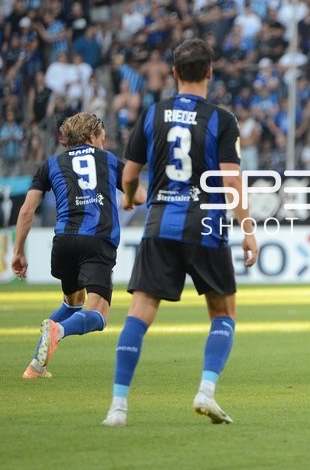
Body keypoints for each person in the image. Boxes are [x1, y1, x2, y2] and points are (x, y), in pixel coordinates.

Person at [102, 38, 259, 427]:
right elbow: (231, 180)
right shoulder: (222, 119)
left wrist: (129, 197)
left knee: (139, 314)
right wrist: (249, 229)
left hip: (161, 225)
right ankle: (206, 390)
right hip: (205, 226)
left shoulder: (154, 113)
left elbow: (129, 174)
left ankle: (118, 407)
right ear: (210, 72)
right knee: (223, 312)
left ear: (174, 73)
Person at [12, 112, 145, 379]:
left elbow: (27, 211)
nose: (104, 144)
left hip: (64, 243)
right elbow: (139, 194)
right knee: (98, 314)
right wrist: (129, 198)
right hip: (97, 241)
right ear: (92, 136)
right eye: (102, 138)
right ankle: (58, 331)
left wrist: (18, 252)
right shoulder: (108, 160)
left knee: (73, 304)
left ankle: (35, 367)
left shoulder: (50, 164)